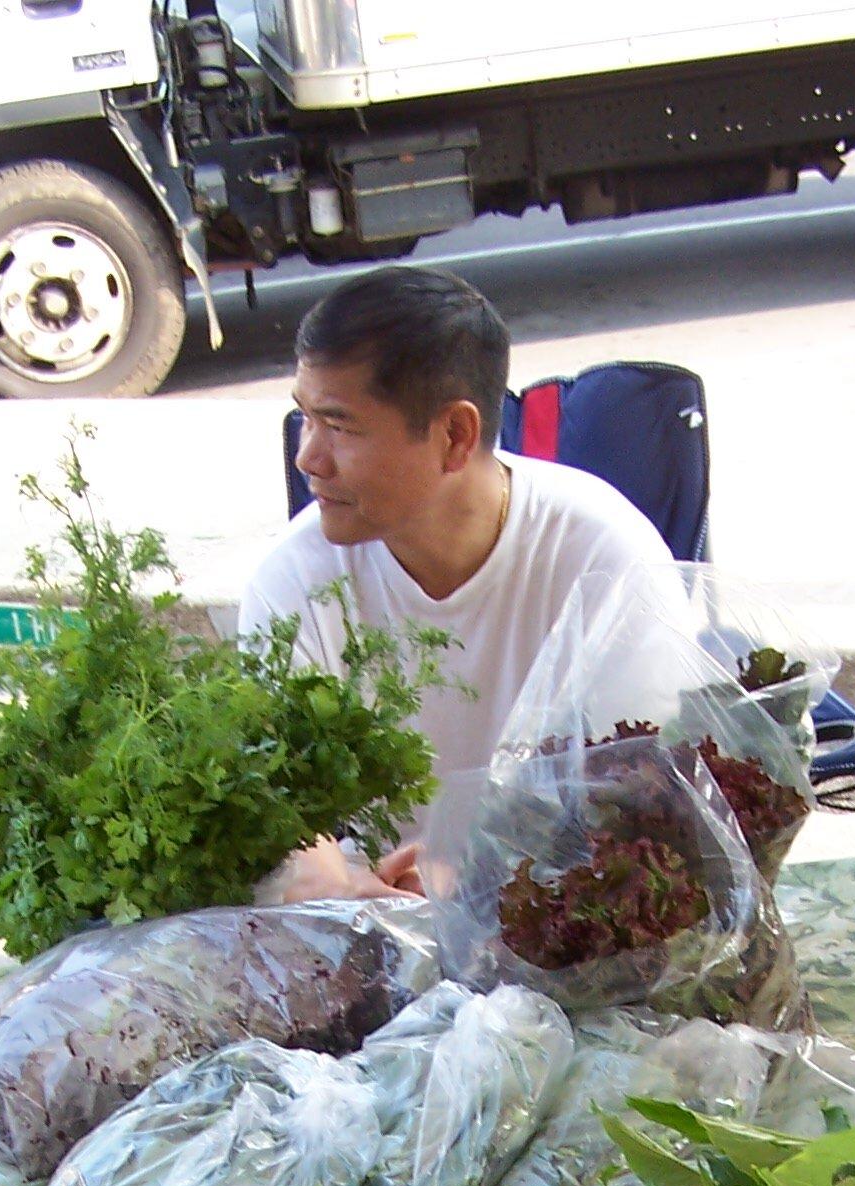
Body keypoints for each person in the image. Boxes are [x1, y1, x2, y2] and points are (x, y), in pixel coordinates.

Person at [240, 266, 675, 903]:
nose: (309, 457)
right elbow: (272, 811)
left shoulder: (602, 554)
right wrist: (319, 873)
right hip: (367, 924)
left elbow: (655, 809)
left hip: (560, 921)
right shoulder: (292, 581)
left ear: (455, 436)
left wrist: (482, 876)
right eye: (304, 418)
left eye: (340, 425)